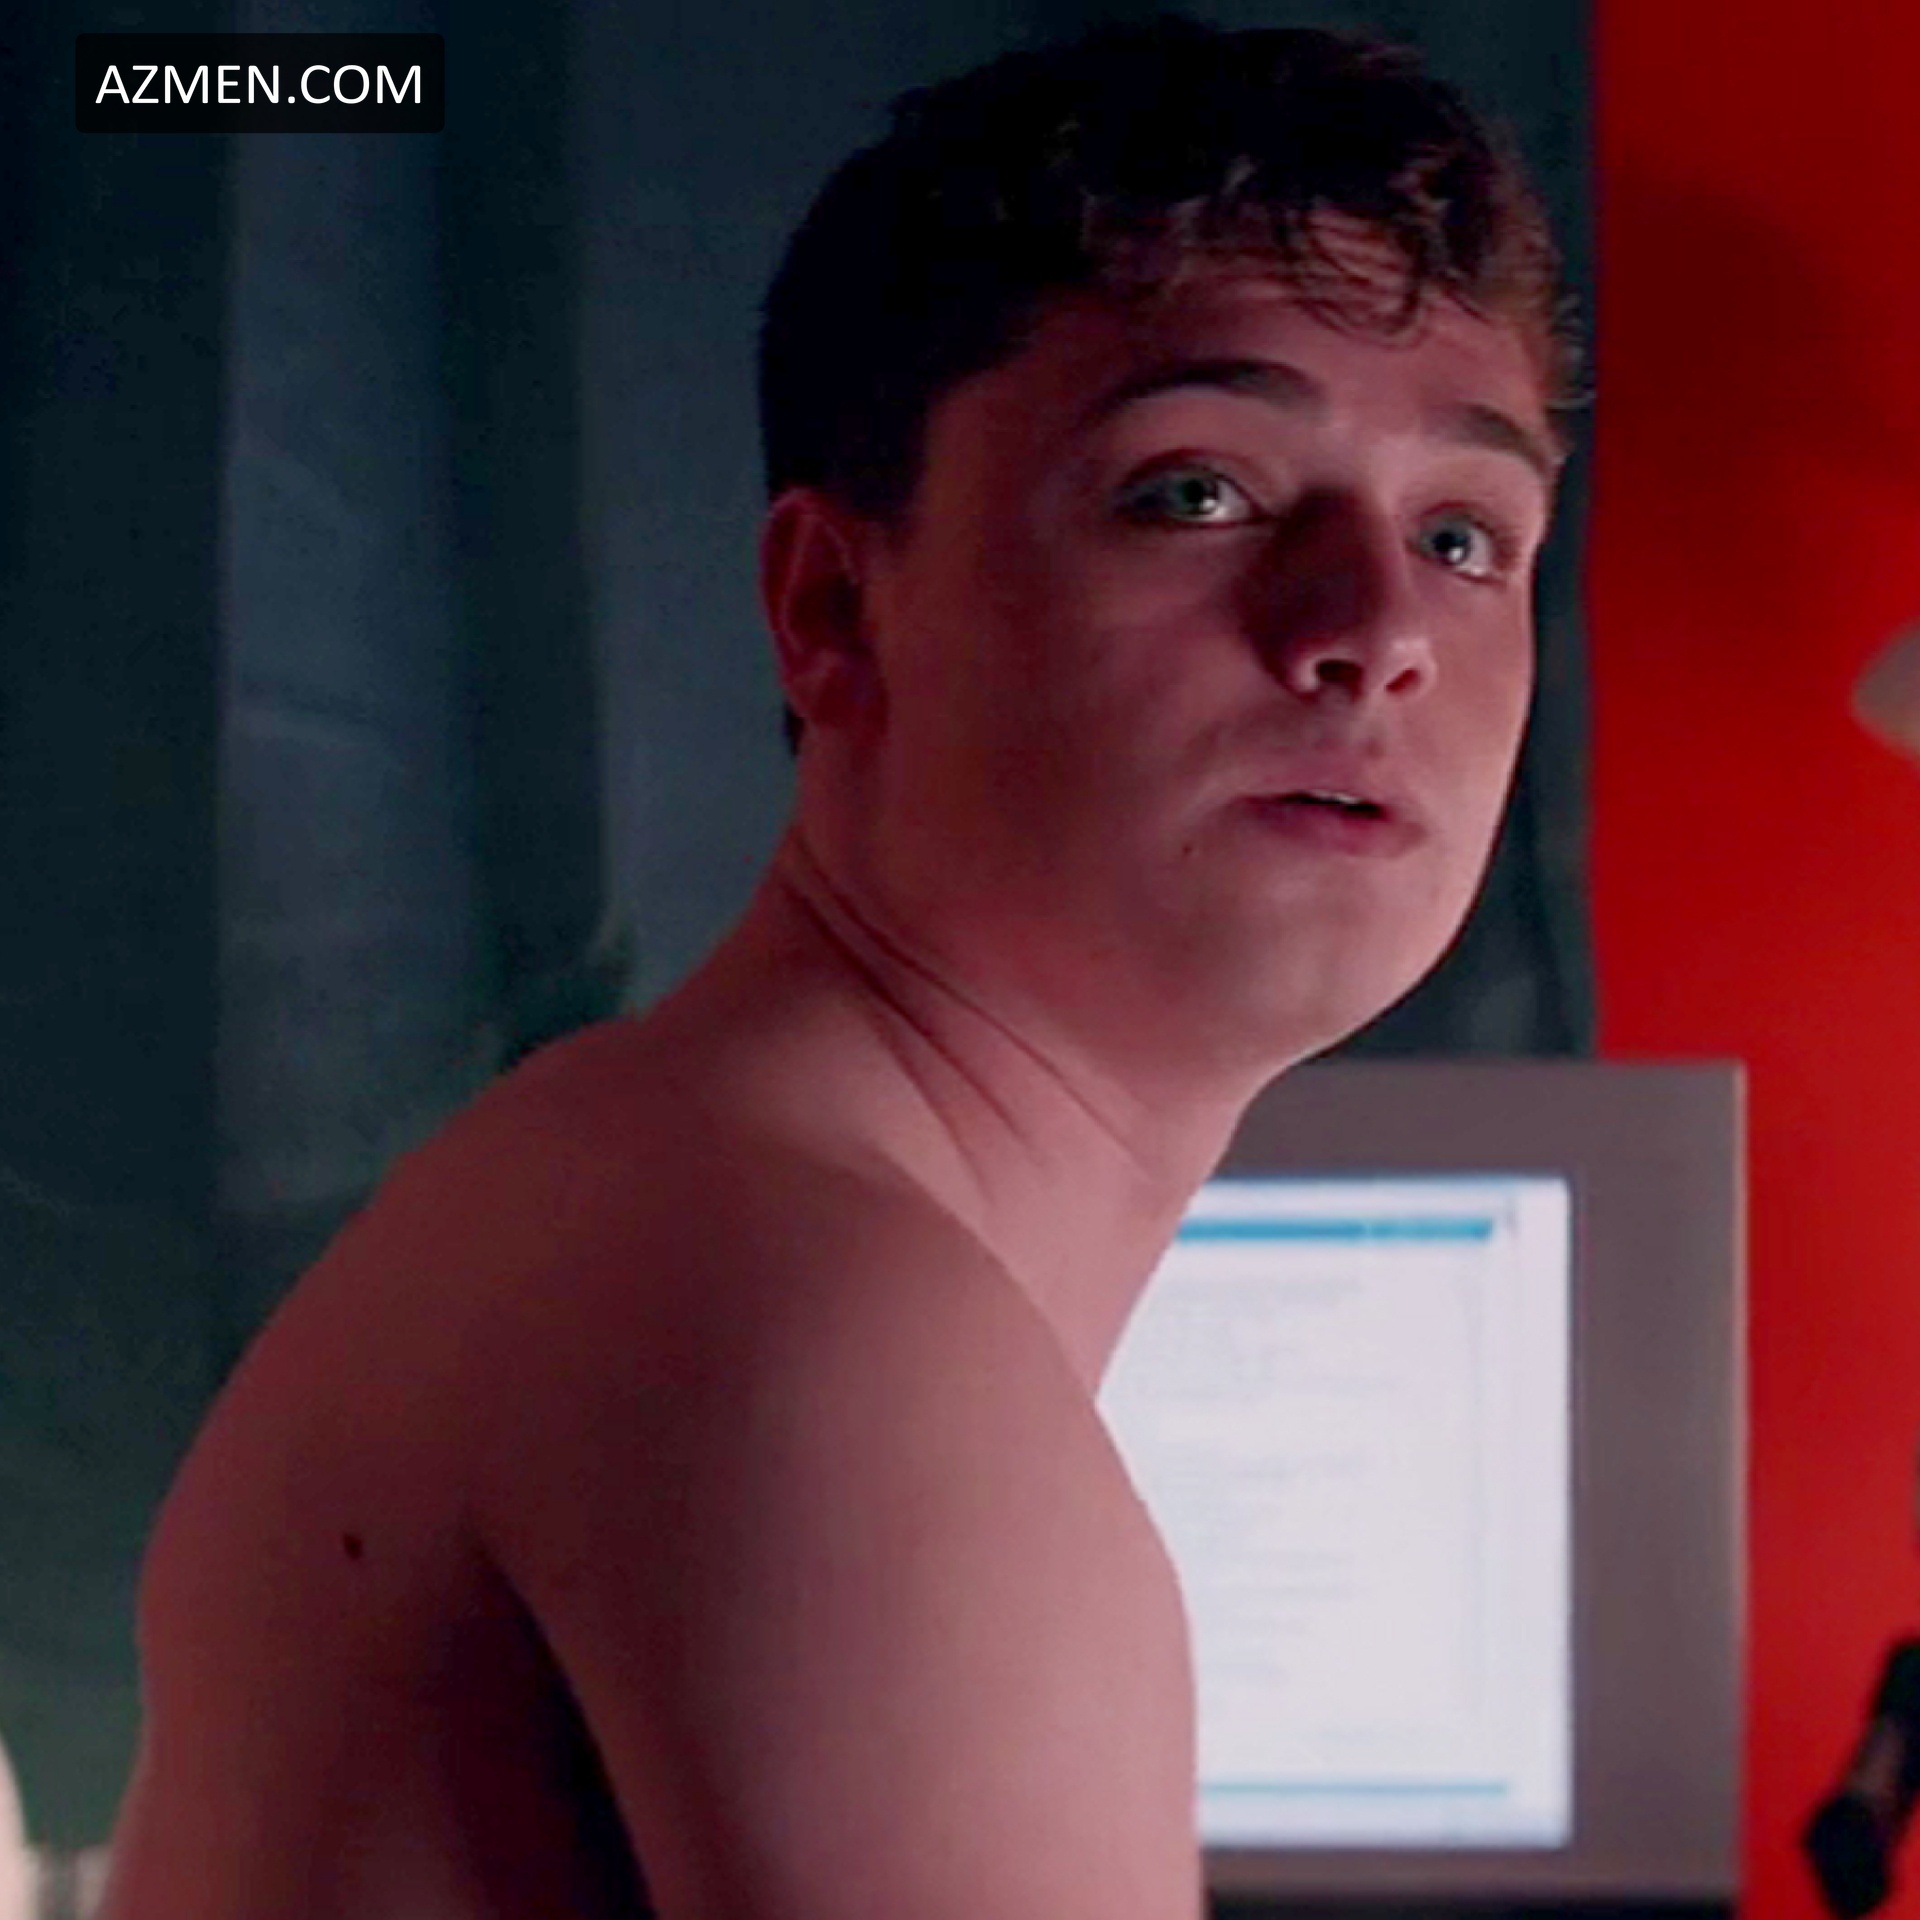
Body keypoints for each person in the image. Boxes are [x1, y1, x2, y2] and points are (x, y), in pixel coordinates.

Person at [99, 16, 1583, 1917]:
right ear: (828, 607)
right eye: (1195, 489)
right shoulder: (833, 1340)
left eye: (1464, 534)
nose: (1376, 627)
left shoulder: (647, 1180)